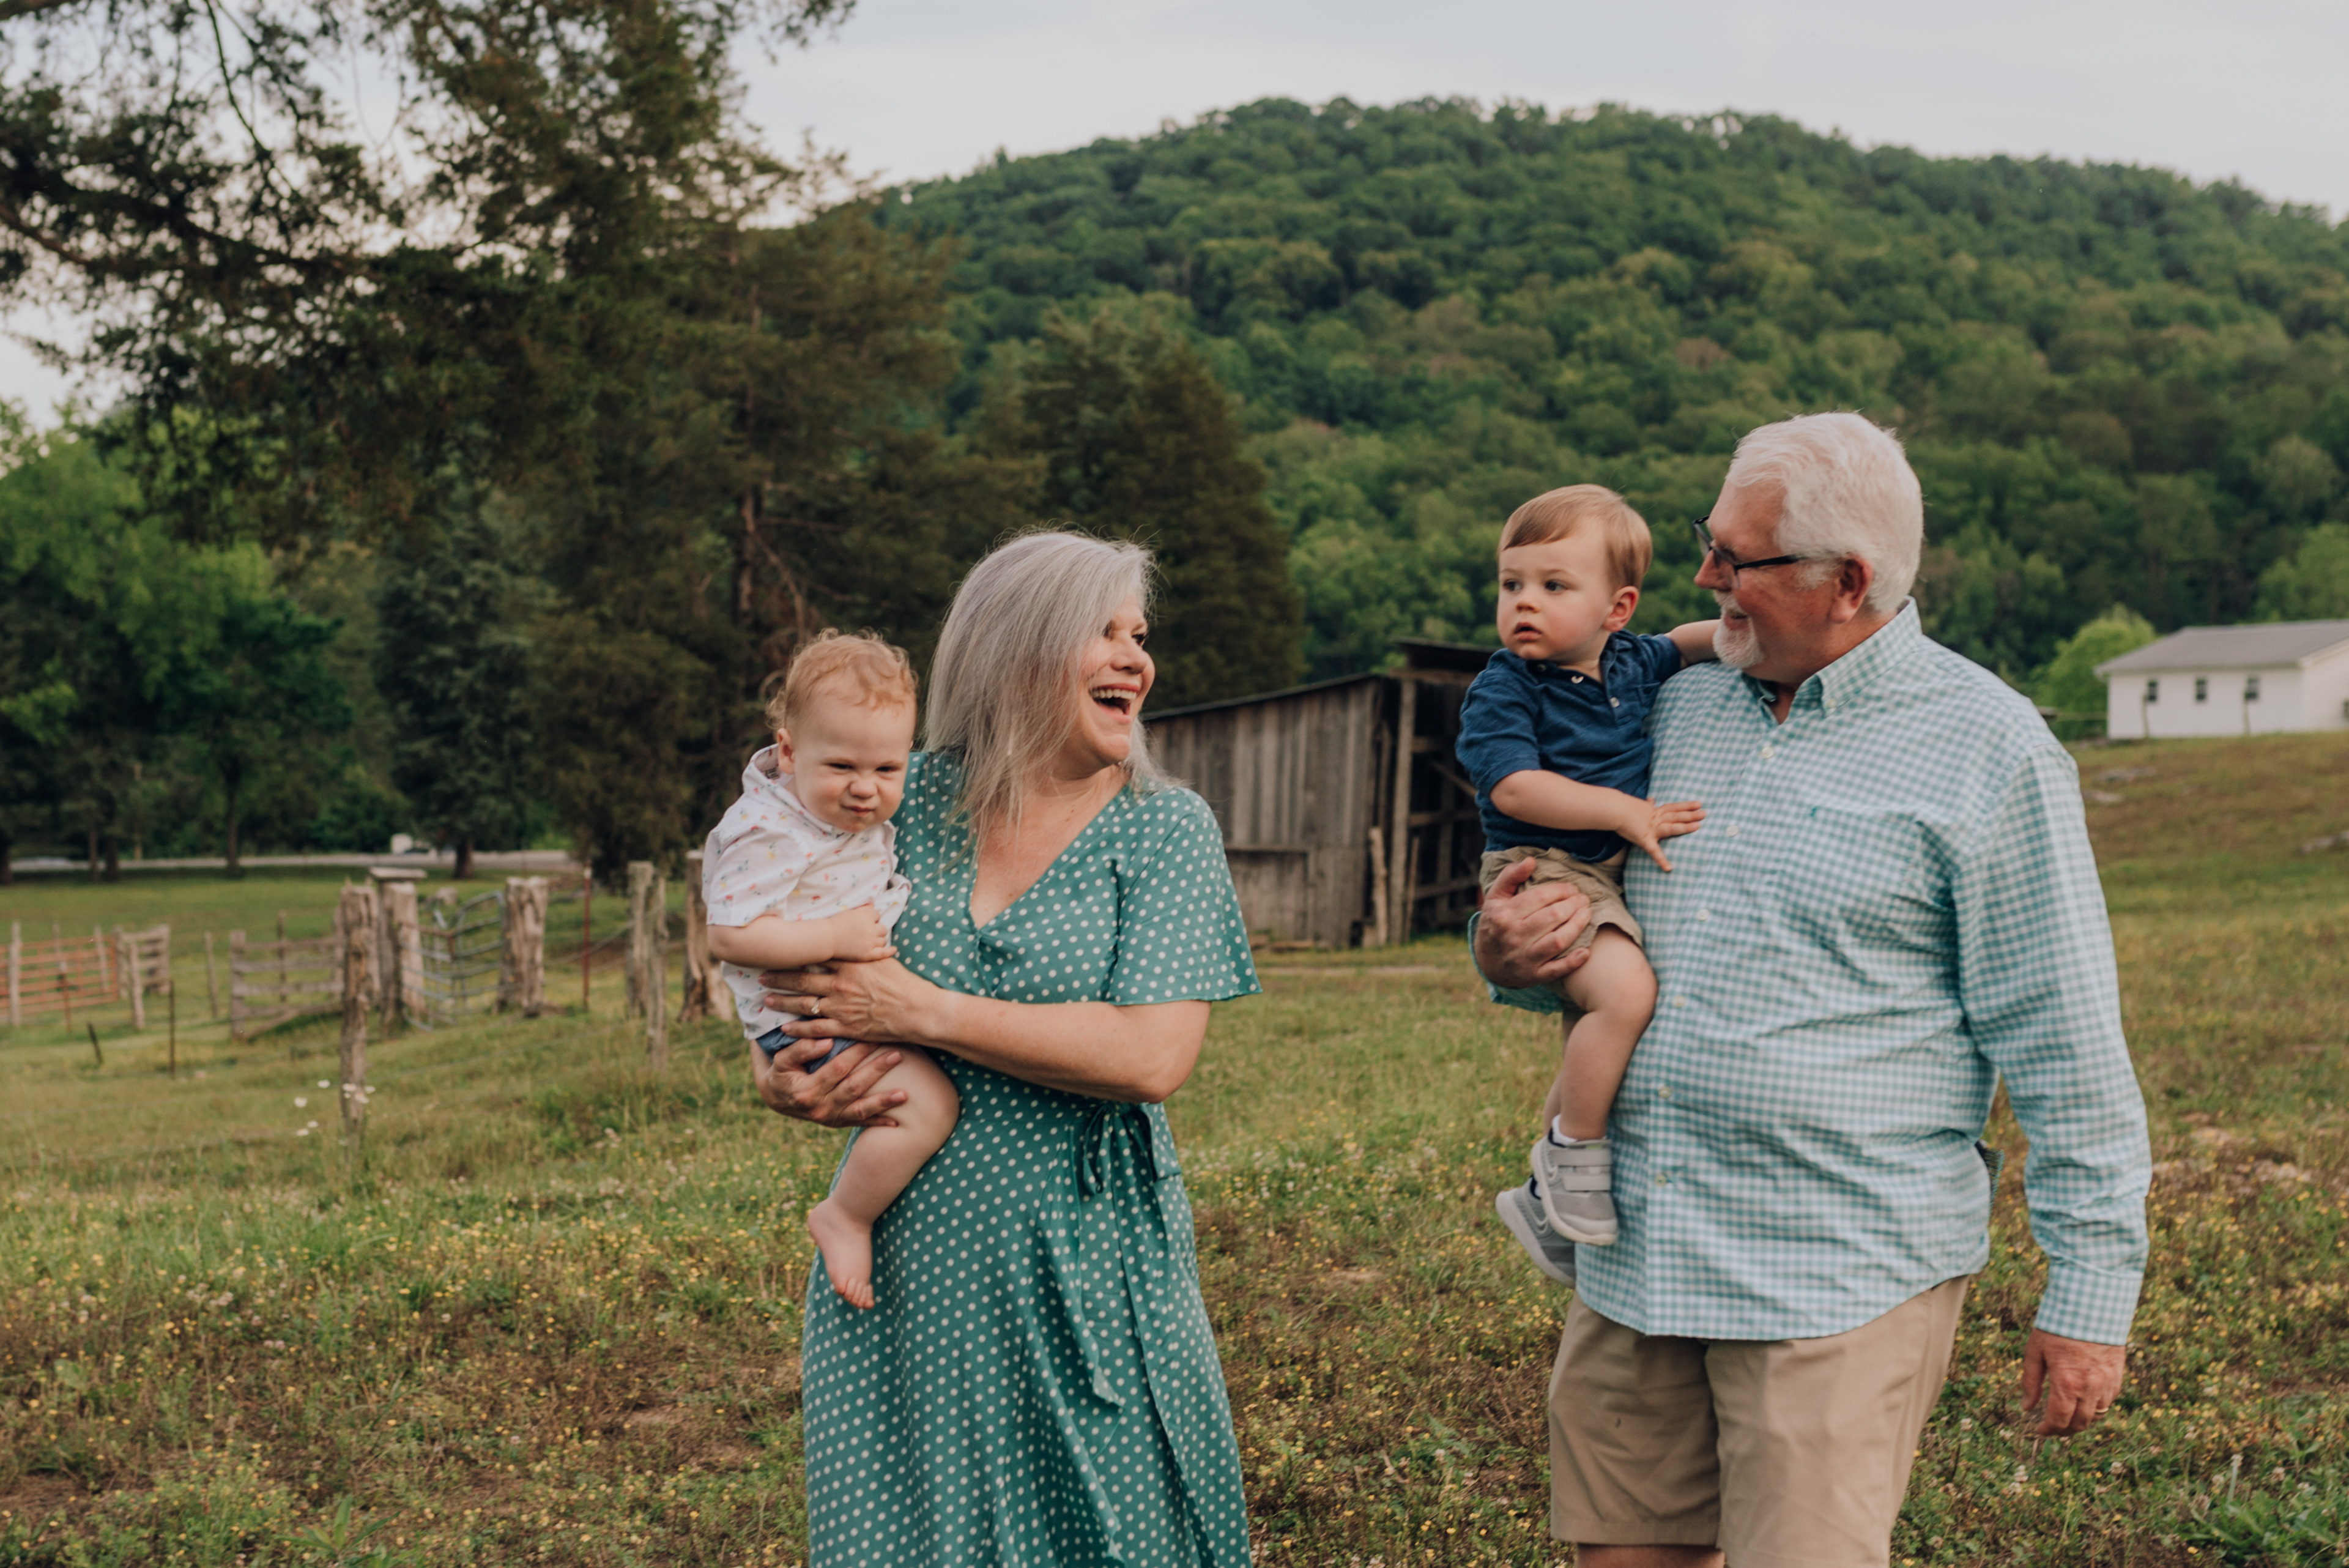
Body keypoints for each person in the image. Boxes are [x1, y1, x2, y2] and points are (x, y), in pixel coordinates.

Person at [1472, 413, 2151, 1568]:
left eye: (1737, 558)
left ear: (1849, 581)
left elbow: (2064, 1036)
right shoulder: (1668, 702)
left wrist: (2090, 1297)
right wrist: (1507, 952)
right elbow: (1567, 906)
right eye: (1709, 542)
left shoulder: (1989, 748)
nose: (1705, 578)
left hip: (1834, 1274)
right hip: (1640, 1255)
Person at [748, 530, 1261, 1567]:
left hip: (1089, 1259)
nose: (1135, 660)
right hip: (906, 1260)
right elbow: (777, 921)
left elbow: (1152, 1055)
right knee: (914, 1536)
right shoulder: (899, 797)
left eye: (1140, 636)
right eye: (1104, 632)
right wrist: (777, 1065)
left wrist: (919, 1010)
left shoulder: (1164, 828)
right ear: (1016, 645)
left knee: (1116, 1531)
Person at [1457, 484, 1717, 1279]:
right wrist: (1624, 810)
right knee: (1625, 995)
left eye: (1553, 585)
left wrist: (1745, 632)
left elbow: (1686, 641)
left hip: (1600, 866)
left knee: (1592, 1024)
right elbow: (1514, 788)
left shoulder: (1633, 659)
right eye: (1512, 584)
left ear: (1618, 608)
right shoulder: (1507, 684)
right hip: (1543, 865)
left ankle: (1545, 1193)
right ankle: (1574, 1152)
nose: (1524, 602)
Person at [702, 630, 957, 1312]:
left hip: (824, 1004)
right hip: (801, 1017)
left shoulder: (830, 811)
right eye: (842, 765)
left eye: (888, 768)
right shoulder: (772, 829)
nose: (866, 789)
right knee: (930, 1106)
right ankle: (845, 1214)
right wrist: (836, 935)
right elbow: (728, 933)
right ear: (788, 752)